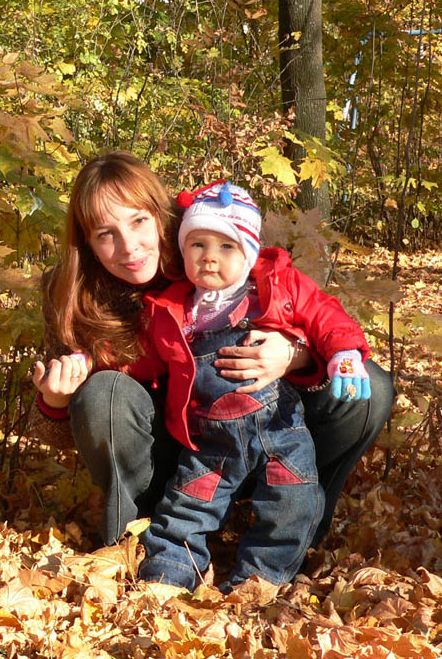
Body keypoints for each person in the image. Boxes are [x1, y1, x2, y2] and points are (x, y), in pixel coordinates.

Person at [30, 151, 394, 550]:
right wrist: (56, 399)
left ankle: (296, 528)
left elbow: (311, 313)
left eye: (138, 222)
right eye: (105, 234)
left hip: (265, 429)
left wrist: (295, 352)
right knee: (104, 393)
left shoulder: (212, 242)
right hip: (171, 450)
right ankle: (137, 536)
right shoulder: (74, 295)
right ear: (88, 244)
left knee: (370, 389)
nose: (129, 246)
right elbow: (55, 432)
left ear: (160, 216)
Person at [130, 180, 371, 591]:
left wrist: (343, 353)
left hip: (281, 431)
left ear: (249, 252)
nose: (209, 257)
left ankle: (259, 581)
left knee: (292, 503)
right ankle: (168, 576)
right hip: (211, 441)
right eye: (198, 245)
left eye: (226, 246)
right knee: (186, 507)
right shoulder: (172, 310)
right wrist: (92, 363)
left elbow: (325, 314)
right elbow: (141, 358)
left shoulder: (275, 289)